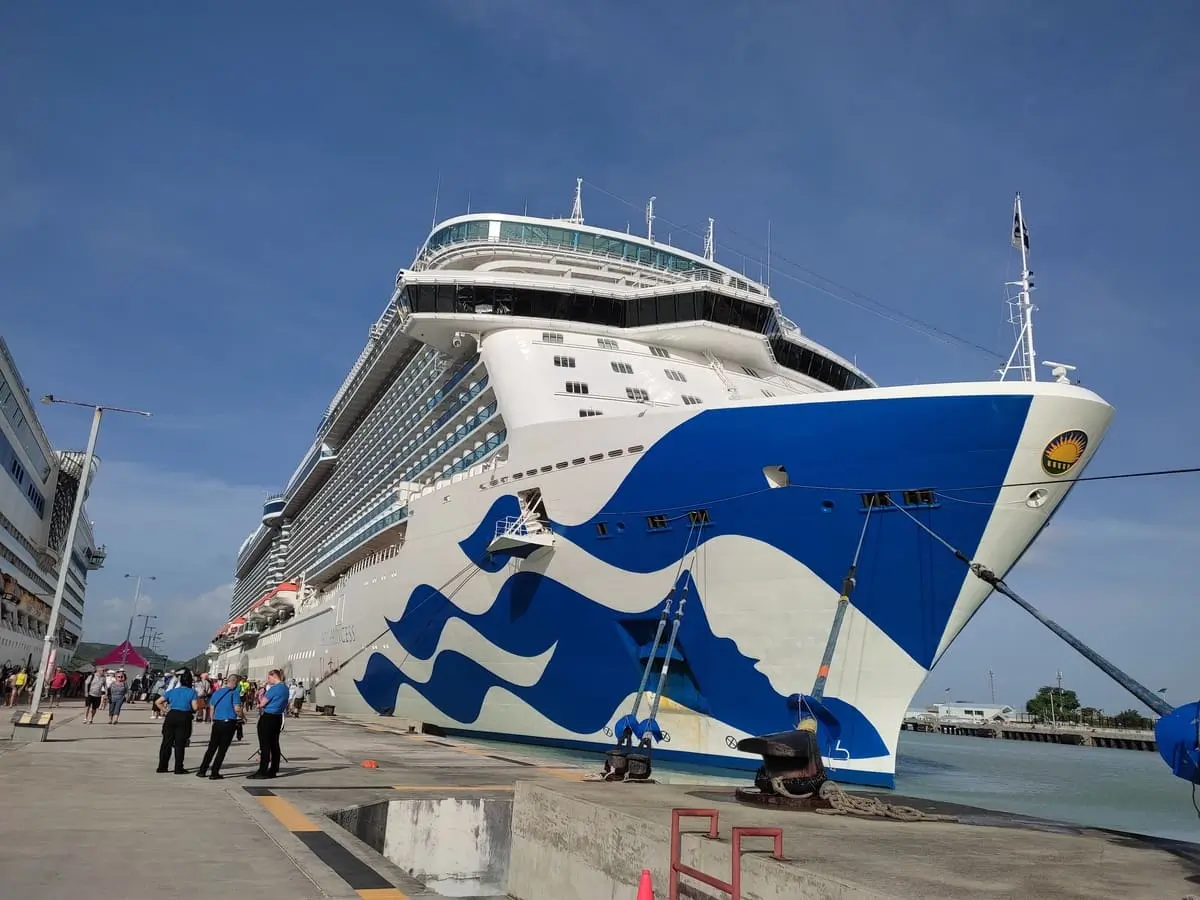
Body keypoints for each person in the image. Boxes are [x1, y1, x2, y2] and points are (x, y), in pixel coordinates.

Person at [196, 673, 243, 780]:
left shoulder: (217, 693)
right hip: (228, 723)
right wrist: (242, 717)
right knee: (222, 749)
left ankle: (202, 770)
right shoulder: (234, 693)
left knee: (211, 748)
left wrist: (214, 719)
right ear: (235, 682)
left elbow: (212, 707)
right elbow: (237, 709)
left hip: (217, 722)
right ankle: (214, 772)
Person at [155, 670, 199, 774]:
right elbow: (195, 707)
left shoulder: (172, 691)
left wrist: (166, 711)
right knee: (180, 744)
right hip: (184, 717)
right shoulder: (192, 692)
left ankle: (162, 766)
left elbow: (158, 702)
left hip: (171, 715)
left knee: (166, 742)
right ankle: (178, 767)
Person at [249, 669, 288, 779]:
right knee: (275, 744)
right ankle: (274, 769)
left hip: (268, 717)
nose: (268, 680)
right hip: (278, 717)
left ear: (274, 676)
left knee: (265, 745)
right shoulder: (285, 688)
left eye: (269, 677)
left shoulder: (274, 689)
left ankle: (262, 771)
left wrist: (258, 702)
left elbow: (262, 703)